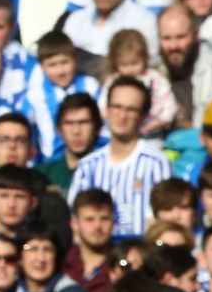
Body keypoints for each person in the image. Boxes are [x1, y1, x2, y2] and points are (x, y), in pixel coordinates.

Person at [67, 78, 172, 239]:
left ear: (143, 116)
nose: (122, 116)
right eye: (117, 107)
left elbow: (163, 222)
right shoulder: (88, 166)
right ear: (107, 110)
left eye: (131, 109)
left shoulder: (157, 163)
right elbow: (75, 222)